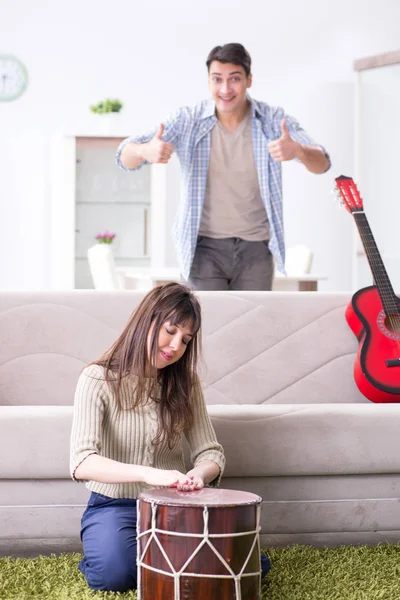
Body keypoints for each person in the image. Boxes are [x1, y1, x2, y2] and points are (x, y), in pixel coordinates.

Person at [70, 282, 271, 592]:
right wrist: (152, 474)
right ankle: (103, 552)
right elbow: (82, 461)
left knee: (250, 564)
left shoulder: (186, 383)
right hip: (114, 505)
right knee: (115, 574)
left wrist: (198, 474)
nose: (176, 345)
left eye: (186, 339)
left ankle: (151, 552)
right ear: (146, 321)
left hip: (175, 506)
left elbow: (211, 453)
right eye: (170, 330)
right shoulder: (97, 378)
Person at [116, 43, 331, 291]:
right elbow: (124, 155)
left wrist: (299, 151)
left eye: (235, 79)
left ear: (249, 80)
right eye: (217, 79)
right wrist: (145, 151)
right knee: (206, 326)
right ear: (208, 82)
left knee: (251, 327)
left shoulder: (272, 120)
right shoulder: (188, 120)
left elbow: (322, 163)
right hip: (204, 249)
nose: (225, 89)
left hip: (256, 249)